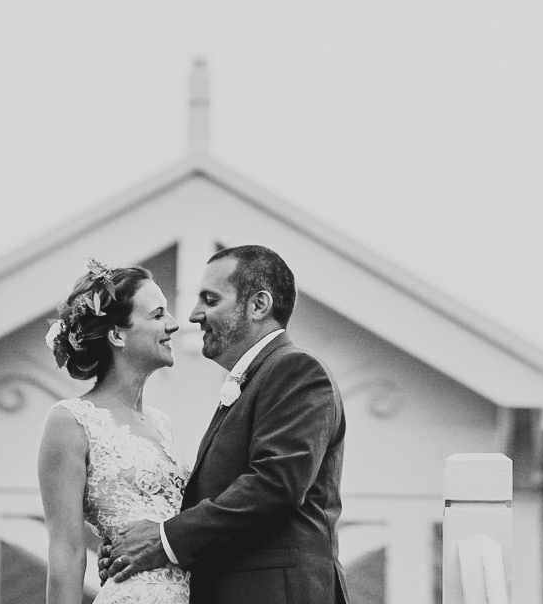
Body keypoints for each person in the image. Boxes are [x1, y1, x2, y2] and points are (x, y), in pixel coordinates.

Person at [98, 245, 349, 604]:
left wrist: (164, 539)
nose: (194, 315)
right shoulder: (255, 380)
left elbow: (275, 484)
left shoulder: (297, 371)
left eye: (210, 300)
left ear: (259, 305)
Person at [36, 260, 192, 604]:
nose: (174, 324)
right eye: (157, 315)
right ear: (118, 334)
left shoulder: (161, 424)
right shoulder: (70, 421)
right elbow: (67, 550)